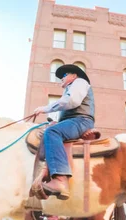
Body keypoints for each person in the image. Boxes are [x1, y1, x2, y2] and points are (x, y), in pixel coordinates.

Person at [33, 64, 95, 200]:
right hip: (75, 120)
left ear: (74, 75)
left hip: (81, 120)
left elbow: (72, 101)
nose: (61, 78)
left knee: (52, 132)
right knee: (51, 129)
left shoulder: (80, 82)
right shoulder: (70, 87)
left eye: (64, 75)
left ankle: (61, 180)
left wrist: (46, 108)